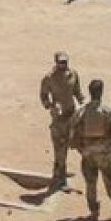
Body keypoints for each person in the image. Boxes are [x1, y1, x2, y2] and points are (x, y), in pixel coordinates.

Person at [69, 79, 111, 220]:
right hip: (105, 153)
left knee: (90, 183)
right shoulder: (108, 111)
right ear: (101, 92)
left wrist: (80, 147)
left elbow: (72, 129)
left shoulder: (81, 111)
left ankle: (94, 211)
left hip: (87, 153)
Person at [39, 51, 83, 188]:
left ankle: (59, 172)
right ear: (56, 62)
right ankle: (60, 178)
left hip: (71, 114)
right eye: (61, 62)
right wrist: (50, 106)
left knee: (74, 143)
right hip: (59, 118)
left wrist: (83, 102)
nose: (63, 64)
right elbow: (43, 95)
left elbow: (77, 92)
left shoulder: (73, 74)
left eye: (65, 62)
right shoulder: (49, 78)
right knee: (60, 148)